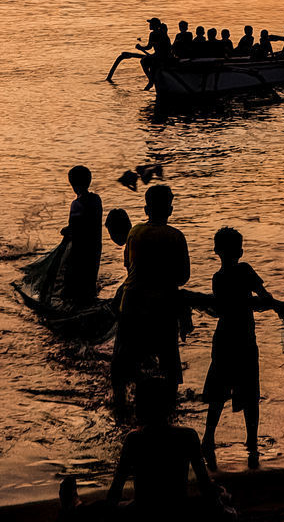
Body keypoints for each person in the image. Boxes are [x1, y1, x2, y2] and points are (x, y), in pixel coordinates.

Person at [112, 184, 191, 410]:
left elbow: (128, 266)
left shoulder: (134, 233)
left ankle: (121, 407)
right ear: (170, 209)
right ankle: (168, 411)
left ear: (146, 209)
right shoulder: (176, 236)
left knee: (125, 361)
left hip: (132, 304)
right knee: (168, 364)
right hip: (162, 307)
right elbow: (182, 277)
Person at [201, 227, 272, 470]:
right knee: (250, 394)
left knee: (218, 392)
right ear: (240, 251)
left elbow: (220, 310)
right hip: (245, 341)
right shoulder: (245, 270)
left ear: (216, 251)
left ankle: (208, 438)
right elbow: (265, 297)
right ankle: (251, 441)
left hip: (223, 340)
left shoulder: (217, 278)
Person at [106, 381, 229, 518]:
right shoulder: (188, 436)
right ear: (169, 408)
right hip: (176, 510)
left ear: (141, 408)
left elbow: (116, 488)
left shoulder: (133, 439)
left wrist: (106, 515)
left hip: (144, 511)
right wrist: (220, 499)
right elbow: (204, 485)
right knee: (223, 498)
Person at [64, 165, 103, 303]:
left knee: (75, 278)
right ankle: (90, 301)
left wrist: (67, 230)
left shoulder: (76, 204)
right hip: (94, 246)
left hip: (80, 249)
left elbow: (76, 226)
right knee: (90, 277)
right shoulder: (96, 200)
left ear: (73, 185)